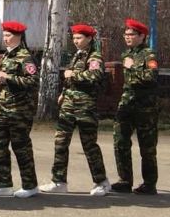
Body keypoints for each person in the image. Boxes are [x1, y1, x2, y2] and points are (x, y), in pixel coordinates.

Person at [40, 24, 111, 196]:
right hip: (68, 106)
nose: (76, 41)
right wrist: (64, 92)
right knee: (60, 142)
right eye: (74, 38)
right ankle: (58, 181)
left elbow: (95, 76)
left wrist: (74, 76)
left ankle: (101, 182)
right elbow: (69, 78)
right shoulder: (77, 56)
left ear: (89, 39)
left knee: (89, 145)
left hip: (85, 107)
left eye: (79, 38)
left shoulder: (94, 57)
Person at [0, 20, 40, 198]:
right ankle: (3, 184)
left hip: (20, 110)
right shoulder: (7, 56)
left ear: (18, 36)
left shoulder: (25, 57)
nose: (5, 38)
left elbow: (33, 82)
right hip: (4, 108)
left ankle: (30, 185)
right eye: (4, 35)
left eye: (9, 35)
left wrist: (9, 77)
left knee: (21, 147)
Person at [112, 18, 160, 195]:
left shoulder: (149, 55)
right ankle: (124, 180)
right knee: (120, 142)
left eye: (131, 34)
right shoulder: (126, 54)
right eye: (126, 34)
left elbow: (151, 78)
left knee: (147, 147)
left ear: (142, 36)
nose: (127, 37)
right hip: (127, 104)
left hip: (145, 107)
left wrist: (132, 69)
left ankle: (149, 184)